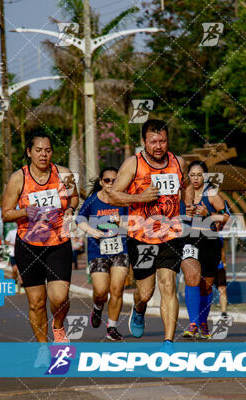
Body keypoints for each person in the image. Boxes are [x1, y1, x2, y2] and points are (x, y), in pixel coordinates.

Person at [109, 119, 192, 350]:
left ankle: (168, 342)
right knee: (145, 293)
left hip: (171, 233)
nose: (158, 146)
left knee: (168, 285)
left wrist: (191, 205)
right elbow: (114, 195)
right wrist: (139, 198)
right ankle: (139, 308)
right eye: (153, 141)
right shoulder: (133, 165)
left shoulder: (178, 162)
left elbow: (185, 187)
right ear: (144, 141)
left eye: (163, 141)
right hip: (141, 236)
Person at [2, 132, 78, 350]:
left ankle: (59, 326)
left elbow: (74, 197)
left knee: (60, 298)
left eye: (48, 150)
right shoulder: (19, 178)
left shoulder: (64, 174)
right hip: (28, 245)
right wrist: (26, 211)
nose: (43, 155)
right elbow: (6, 214)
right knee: (36, 303)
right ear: (29, 152)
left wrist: (71, 210)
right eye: (38, 150)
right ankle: (43, 348)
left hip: (58, 243)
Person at [77, 167, 129, 341]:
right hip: (98, 250)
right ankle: (98, 307)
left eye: (115, 180)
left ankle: (112, 327)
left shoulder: (123, 199)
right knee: (101, 292)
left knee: (117, 289)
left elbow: (131, 221)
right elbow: (79, 219)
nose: (111, 184)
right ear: (101, 182)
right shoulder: (93, 201)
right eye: (107, 180)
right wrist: (91, 231)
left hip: (120, 248)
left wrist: (123, 226)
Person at [180, 161, 229, 338]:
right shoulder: (183, 193)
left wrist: (207, 214)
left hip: (210, 241)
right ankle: (193, 323)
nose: (195, 178)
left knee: (206, 286)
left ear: (205, 176)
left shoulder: (212, 194)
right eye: (192, 175)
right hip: (190, 240)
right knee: (192, 277)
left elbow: (227, 217)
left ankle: (202, 321)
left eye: (199, 175)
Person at [4, 227, 24, 294]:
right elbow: (6, 242)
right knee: (14, 270)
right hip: (13, 254)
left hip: (22, 254)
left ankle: (22, 287)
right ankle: (15, 284)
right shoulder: (11, 232)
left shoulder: (24, 232)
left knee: (21, 271)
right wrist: (13, 245)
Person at [215, 239, 229, 319]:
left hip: (219, 267)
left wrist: (224, 263)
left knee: (222, 288)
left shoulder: (219, 237)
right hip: (207, 267)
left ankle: (223, 311)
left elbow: (222, 250)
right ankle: (203, 311)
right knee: (205, 290)